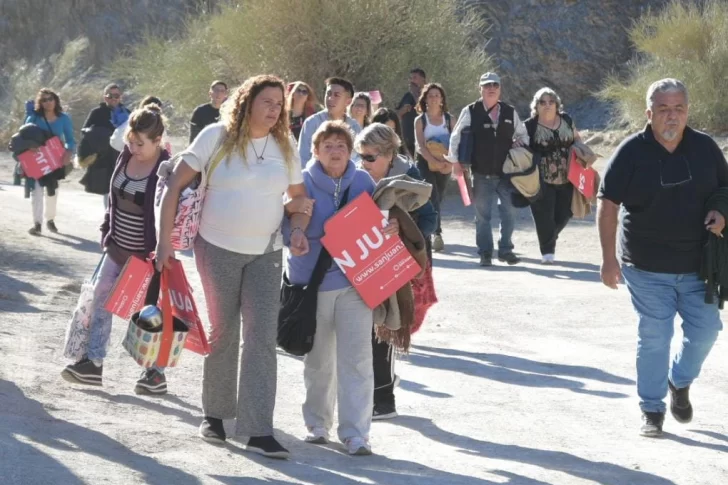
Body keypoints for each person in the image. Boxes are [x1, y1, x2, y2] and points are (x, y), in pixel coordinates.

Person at [157, 75, 311, 459]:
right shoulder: (215, 136)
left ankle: (259, 429)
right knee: (223, 330)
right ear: (247, 101)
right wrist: (163, 244)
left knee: (261, 337)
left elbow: (298, 197)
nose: (275, 108)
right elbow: (174, 187)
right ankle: (215, 415)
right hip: (217, 248)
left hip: (266, 251)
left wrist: (298, 230)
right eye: (268, 101)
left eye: (280, 103)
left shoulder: (285, 144)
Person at [598, 78, 728, 438]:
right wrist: (608, 260)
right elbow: (608, 204)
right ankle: (651, 409)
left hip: (698, 265)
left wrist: (722, 214)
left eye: (679, 108)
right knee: (654, 334)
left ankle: (679, 381)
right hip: (645, 265)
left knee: (707, 331)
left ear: (688, 111)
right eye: (664, 109)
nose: (672, 116)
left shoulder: (705, 148)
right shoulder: (630, 152)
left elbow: (725, 190)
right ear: (649, 113)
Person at [283, 121, 383, 456]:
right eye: (328, 144)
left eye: (341, 144)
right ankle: (317, 424)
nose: (335, 150)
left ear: (350, 149)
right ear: (315, 150)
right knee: (319, 358)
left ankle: (356, 433)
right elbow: (286, 221)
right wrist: (294, 236)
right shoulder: (303, 181)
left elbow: (381, 223)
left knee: (357, 359)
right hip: (313, 284)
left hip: (356, 283)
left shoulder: (364, 181)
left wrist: (392, 225)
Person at [61, 104, 172, 394]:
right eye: (131, 141)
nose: (134, 148)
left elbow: (168, 213)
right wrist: (106, 232)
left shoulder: (165, 168)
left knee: (146, 313)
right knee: (100, 297)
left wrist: (161, 251)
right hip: (117, 247)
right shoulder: (125, 155)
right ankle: (93, 364)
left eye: (140, 143)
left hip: (143, 258)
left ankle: (155, 374)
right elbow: (113, 197)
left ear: (157, 141)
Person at [355, 123, 437, 421]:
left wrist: (401, 226)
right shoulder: (358, 176)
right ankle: (371, 392)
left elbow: (429, 218)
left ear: (389, 155)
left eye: (369, 156)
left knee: (387, 327)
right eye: (360, 155)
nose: (362, 162)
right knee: (364, 329)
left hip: (397, 262)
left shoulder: (409, 176)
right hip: (364, 259)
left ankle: (384, 399)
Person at [447, 72, 529, 267]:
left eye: (495, 85)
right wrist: (455, 161)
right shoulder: (471, 111)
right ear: (480, 89)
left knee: (509, 212)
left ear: (500, 88)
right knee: (483, 216)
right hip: (481, 172)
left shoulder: (510, 112)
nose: (491, 88)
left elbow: (524, 135)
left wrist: (520, 143)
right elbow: (456, 137)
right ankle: (485, 253)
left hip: (507, 174)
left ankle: (505, 250)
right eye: (487, 85)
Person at [524, 88, 581, 264]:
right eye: (543, 102)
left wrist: (582, 150)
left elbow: (577, 139)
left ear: (557, 104)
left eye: (551, 102)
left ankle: (550, 236)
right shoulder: (529, 125)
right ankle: (547, 252)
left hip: (568, 176)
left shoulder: (566, 120)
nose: (547, 105)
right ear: (536, 105)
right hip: (541, 178)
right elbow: (520, 145)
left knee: (566, 212)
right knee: (543, 215)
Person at [23, 88, 75, 236]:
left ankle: (50, 220)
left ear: (55, 100)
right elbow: (23, 135)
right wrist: (29, 147)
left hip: (55, 159)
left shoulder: (64, 118)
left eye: (50, 99)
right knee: (37, 191)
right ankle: (37, 224)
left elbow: (71, 140)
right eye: (44, 100)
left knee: (53, 191)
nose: (48, 102)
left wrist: (69, 152)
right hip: (37, 158)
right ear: (40, 103)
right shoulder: (34, 118)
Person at [414, 83, 456, 252]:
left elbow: (456, 142)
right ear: (425, 99)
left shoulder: (449, 119)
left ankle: (428, 227)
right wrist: (433, 161)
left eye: (437, 95)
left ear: (442, 99)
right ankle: (436, 233)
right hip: (425, 162)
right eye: (430, 95)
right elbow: (419, 146)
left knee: (438, 197)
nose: (434, 98)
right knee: (432, 194)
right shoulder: (420, 120)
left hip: (445, 162)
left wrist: (450, 163)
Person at [79, 83, 131, 210]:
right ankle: (109, 218)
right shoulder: (97, 113)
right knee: (107, 189)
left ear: (120, 97)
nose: (113, 98)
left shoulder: (128, 113)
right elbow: (85, 131)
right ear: (105, 98)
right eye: (110, 96)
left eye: (116, 96)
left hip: (122, 157)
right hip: (104, 157)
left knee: (122, 190)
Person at [298, 77, 362, 167]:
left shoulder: (354, 127)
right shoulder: (312, 123)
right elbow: (302, 159)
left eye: (336, 95)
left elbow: (360, 158)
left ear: (348, 101)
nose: (330, 98)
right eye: (328, 94)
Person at [396, 68, 427, 156]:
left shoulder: (429, 95)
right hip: (407, 139)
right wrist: (404, 109)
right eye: (411, 78)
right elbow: (397, 114)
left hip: (423, 140)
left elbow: (424, 111)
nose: (412, 81)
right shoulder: (407, 96)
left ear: (423, 79)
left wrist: (415, 94)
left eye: (415, 78)